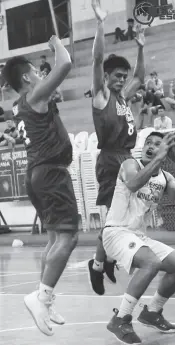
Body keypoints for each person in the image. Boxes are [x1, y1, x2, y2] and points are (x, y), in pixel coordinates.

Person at [2, 36, 78, 336]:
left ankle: (44, 298)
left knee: (53, 238)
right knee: (69, 238)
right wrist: (56, 43)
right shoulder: (34, 96)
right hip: (50, 173)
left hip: (38, 173)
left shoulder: (22, 104)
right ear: (25, 77)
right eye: (35, 71)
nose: (39, 75)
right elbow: (66, 64)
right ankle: (42, 296)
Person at [102, 131, 175, 344]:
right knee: (151, 263)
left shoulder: (164, 177)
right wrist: (159, 157)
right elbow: (134, 183)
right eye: (148, 143)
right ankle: (121, 318)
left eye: (157, 144)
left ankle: (152, 312)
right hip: (115, 231)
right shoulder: (129, 164)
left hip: (137, 236)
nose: (151, 146)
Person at [88, 0, 145, 296]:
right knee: (115, 221)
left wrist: (140, 47)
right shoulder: (101, 96)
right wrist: (100, 24)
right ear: (107, 78)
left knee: (123, 219)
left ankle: (105, 261)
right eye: (117, 75)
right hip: (111, 160)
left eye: (123, 76)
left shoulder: (123, 96)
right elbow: (97, 61)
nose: (122, 79)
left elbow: (140, 79)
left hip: (127, 158)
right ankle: (98, 264)